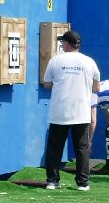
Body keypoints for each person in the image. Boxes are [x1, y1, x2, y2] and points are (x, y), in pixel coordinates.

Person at [40, 29, 100, 190]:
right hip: (81, 111)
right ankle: (83, 182)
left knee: (55, 147)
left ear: (66, 44)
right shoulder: (90, 62)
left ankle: (52, 181)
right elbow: (96, 87)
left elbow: (47, 83)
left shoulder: (55, 61)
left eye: (62, 42)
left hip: (59, 111)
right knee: (82, 148)